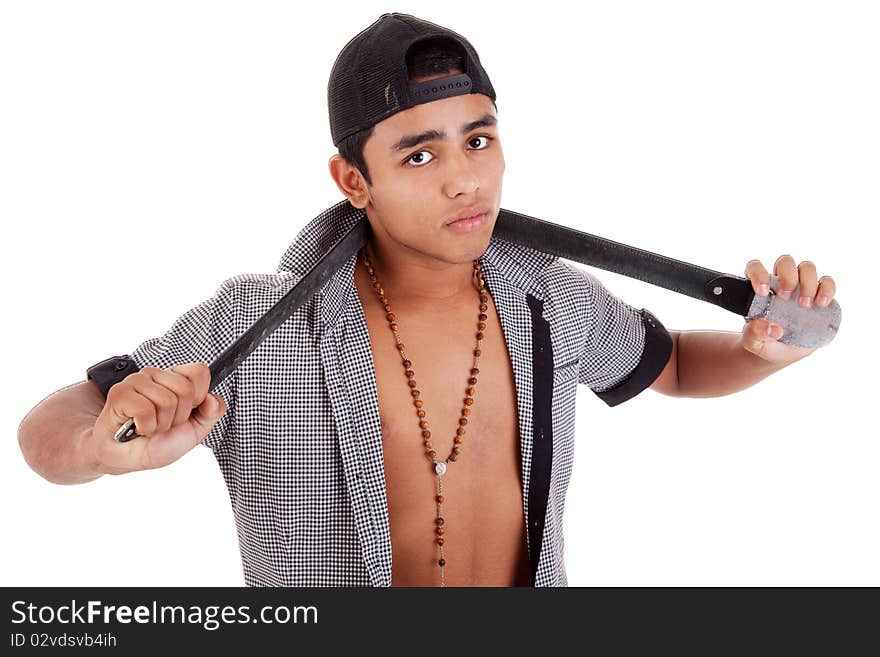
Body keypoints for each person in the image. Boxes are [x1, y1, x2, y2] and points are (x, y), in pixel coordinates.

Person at [17, 12, 835, 587]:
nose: (464, 177)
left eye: (479, 138)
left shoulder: (552, 299)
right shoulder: (255, 322)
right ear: (353, 181)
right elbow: (53, 423)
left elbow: (680, 367)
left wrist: (764, 350)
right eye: (418, 155)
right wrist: (97, 446)